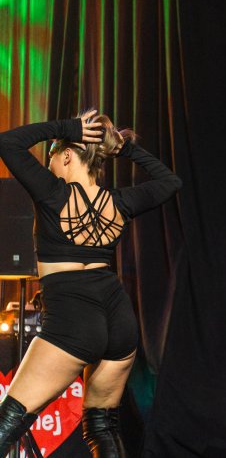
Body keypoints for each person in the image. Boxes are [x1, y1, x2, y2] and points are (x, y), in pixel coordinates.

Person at [0, 110, 181, 456]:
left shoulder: (52, 192)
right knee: (102, 427)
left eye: (52, 157)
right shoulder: (119, 202)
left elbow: (8, 142)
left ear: (67, 155)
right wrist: (126, 149)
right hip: (119, 319)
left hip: (73, 318)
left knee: (7, 423)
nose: (50, 164)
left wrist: (67, 128)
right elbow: (170, 182)